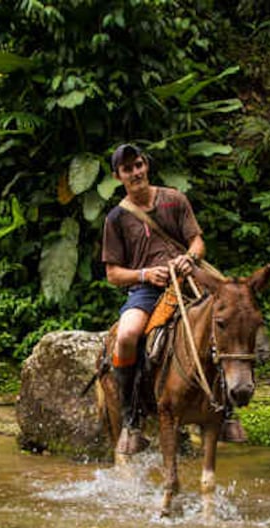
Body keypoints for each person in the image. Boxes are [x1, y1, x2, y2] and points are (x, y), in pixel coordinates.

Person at [102, 143, 207, 455]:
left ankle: (227, 409)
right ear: (118, 176)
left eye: (138, 165)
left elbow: (197, 241)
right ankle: (131, 418)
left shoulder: (174, 199)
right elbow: (113, 274)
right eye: (127, 169)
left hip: (188, 279)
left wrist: (189, 258)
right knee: (127, 335)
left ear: (146, 165)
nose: (135, 173)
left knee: (231, 312)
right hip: (147, 289)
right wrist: (145, 274)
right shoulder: (116, 218)